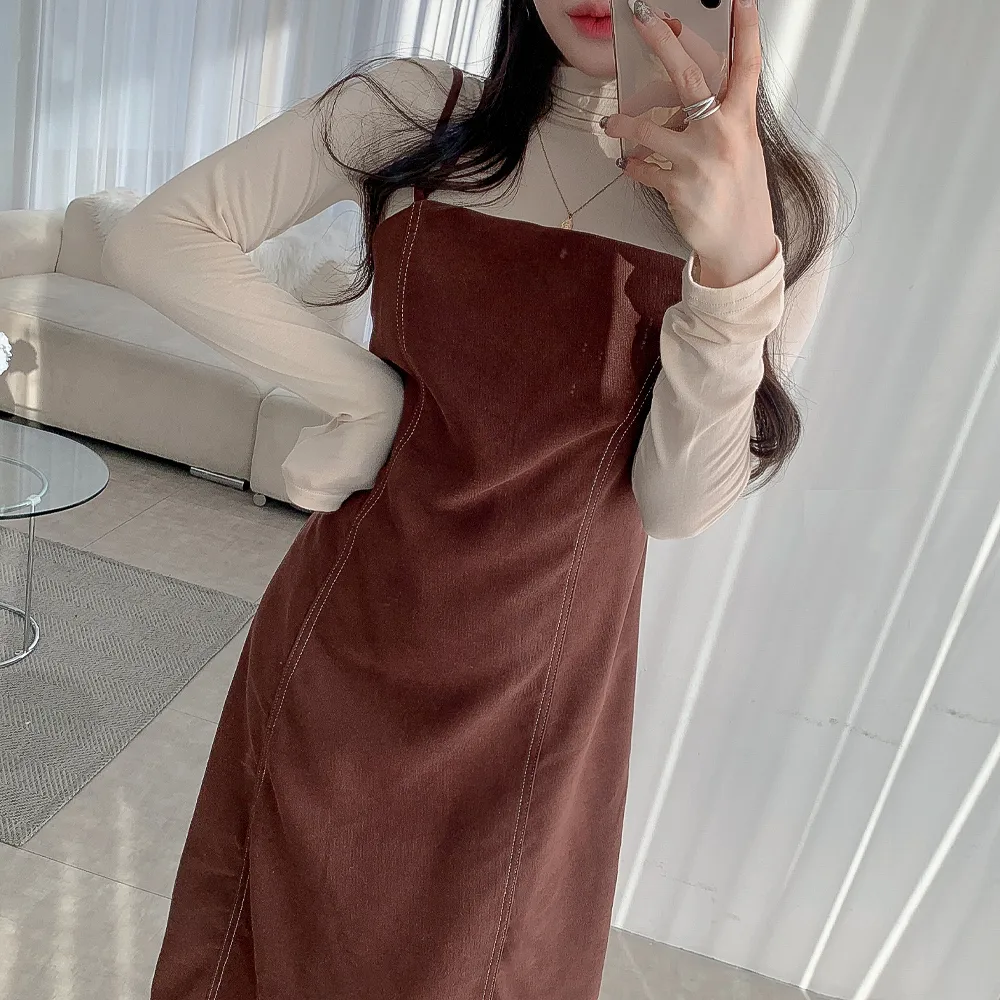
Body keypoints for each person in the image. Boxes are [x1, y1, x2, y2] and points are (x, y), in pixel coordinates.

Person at [103, 0, 843, 996]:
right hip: (346, 642)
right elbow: (157, 237)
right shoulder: (411, 111)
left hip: (539, 704)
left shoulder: (778, 203)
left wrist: (732, 270)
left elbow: (674, 504)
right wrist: (368, 396)